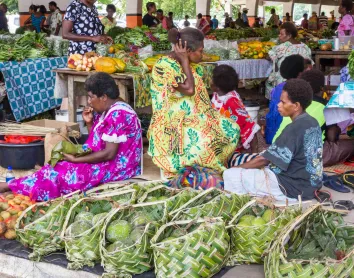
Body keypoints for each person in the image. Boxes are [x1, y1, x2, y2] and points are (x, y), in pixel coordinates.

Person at [1, 73, 142, 200]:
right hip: (107, 160)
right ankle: (16, 185)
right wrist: (89, 123)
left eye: (91, 97)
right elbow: (100, 140)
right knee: (59, 165)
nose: (88, 101)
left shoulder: (119, 114)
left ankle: (15, 187)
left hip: (119, 167)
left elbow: (109, 154)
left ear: (104, 97)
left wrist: (76, 160)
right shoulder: (109, 108)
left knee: (66, 173)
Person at [148, 28, 239, 178]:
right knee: (206, 140)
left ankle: (209, 168)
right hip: (173, 123)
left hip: (195, 117)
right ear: (187, 51)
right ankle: (193, 169)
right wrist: (184, 60)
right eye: (200, 51)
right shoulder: (164, 66)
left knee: (232, 130)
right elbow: (189, 90)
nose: (202, 55)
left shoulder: (189, 65)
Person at [224, 79, 323, 202]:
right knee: (256, 160)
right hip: (311, 185)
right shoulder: (312, 122)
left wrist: (237, 168)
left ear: (296, 106)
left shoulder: (293, 128)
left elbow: (265, 160)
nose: (278, 105)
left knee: (230, 175)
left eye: (283, 102)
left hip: (292, 189)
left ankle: (238, 204)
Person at [211, 65, 260, 153]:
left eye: (211, 78)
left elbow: (250, 126)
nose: (209, 80)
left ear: (216, 87)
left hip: (230, 147)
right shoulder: (217, 94)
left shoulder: (231, 102)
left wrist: (254, 154)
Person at [265, 55, 305, 144]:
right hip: (286, 138)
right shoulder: (299, 89)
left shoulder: (277, 88)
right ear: (300, 73)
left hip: (271, 135)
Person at [265, 22, 312, 98]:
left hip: (284, 79)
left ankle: (274, 99)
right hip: (303, 78)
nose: (279, 36)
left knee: (269, 82)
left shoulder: (282, 47)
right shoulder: (305, 47)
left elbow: (268, 56)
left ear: (289, 35)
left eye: (281, 34)